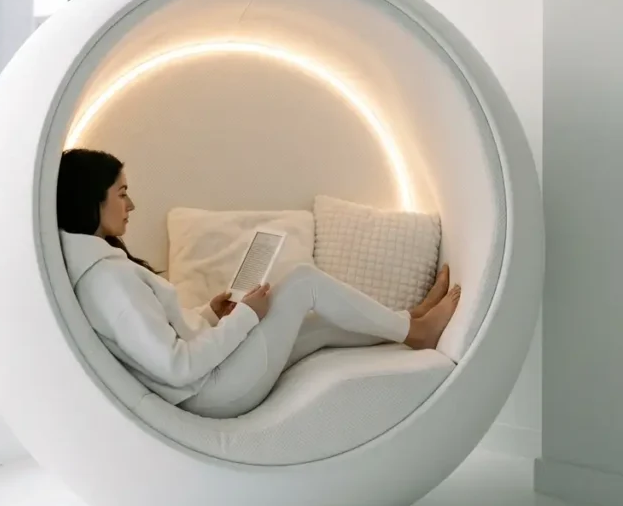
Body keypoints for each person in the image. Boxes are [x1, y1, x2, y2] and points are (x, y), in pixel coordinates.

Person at [57, 148, 461, 420]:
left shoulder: (103, 267)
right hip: (213, 392)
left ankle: (409, 321)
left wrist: (210, 314)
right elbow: (177, 366)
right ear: (90, 199)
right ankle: (417, 331)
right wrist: (246, 317)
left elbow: (165, 337)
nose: (131, 206)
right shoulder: (107, 280)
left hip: (212, 380)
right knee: (302, 282)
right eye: (122, 193)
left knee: (315, 327)